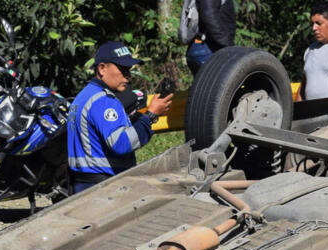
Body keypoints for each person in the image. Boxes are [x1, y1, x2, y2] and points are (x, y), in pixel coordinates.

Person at [67, 42, 173, 193]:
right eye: (122, 70)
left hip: (82, 185)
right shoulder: (104, 101)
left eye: (129, 70)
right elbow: (122, 144)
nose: (128, 76)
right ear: (102, 68)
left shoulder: (84, 96)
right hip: (103, 189)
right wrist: (150, 116)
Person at [187, 0, 236, 74]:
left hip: (204, 46)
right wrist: (227, 43)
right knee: (219, 84)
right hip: (208, 48)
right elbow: (209, 14)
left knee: (204, 84)